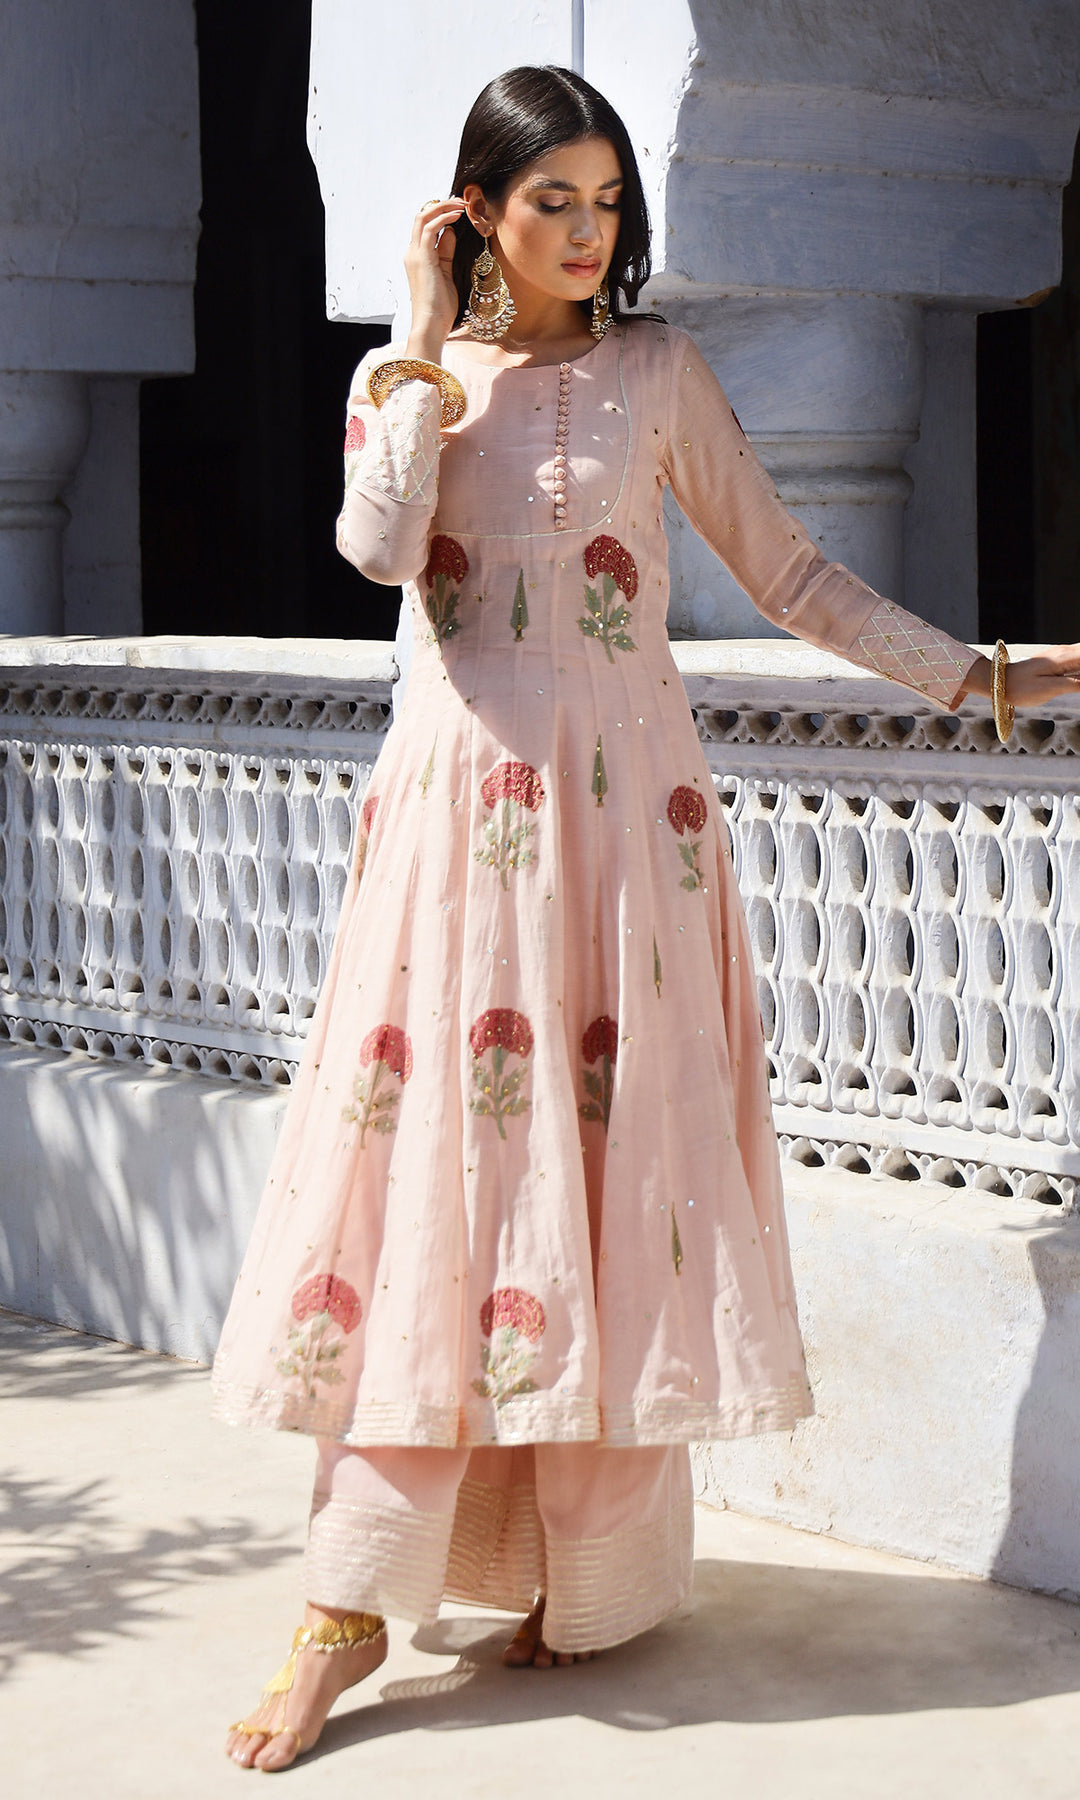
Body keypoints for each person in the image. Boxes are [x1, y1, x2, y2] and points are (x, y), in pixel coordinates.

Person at [216, 65, 1080, 1771]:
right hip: (461, 828)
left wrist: (978, 676)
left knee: (606, 1188)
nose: (587, 232)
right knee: (441, 1192)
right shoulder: (411, 382)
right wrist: (415, 333)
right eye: (552, 201)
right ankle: (344, 1607)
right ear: (477, 209)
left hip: (633, 832)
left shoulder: (658, 371)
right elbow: (378, 548)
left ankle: (588, 1575)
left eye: (606, 202)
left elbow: (790, 573)